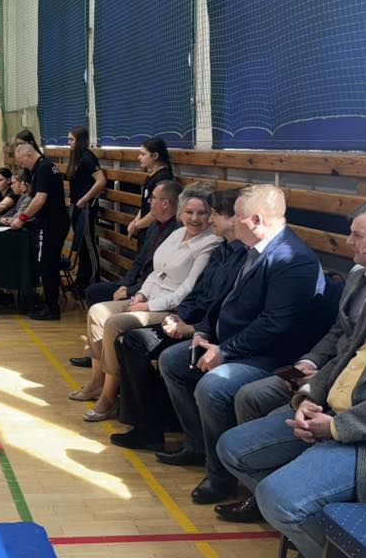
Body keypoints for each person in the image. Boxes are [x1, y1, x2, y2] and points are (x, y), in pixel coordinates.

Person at [217, 201, 366, 558]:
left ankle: (320, 529)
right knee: (231, 448)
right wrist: (309, 394)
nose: (362, 248)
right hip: (331, 411)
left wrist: (336, 427)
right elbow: (345, 355)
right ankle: (316, 525)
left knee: (278, 497)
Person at [157, 184, 332, 505]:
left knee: (213, 386)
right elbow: (224, 299)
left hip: (272, 356)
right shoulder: (252, 248)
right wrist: (203, 331)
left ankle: (220, 476)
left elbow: (274, 326)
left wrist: (224, 352)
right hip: (236, 344)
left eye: (236, 215)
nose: (226, 221)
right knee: (173, 361)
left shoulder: (293, 260)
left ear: (256, 220)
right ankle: (199, 445)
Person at [109, 189, 247, 451]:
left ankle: (152, 426)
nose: (208, 220)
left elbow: (219, 305)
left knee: (134, 341)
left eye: (212, 214)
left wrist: (191, 328)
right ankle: (154, 420)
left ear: (233, 219)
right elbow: (199, 294)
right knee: (126, 341)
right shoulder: (223, 250)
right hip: (188, 319)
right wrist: (177, 316)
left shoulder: (237, 255)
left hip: (206, 331)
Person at [71, 183, 221, 422]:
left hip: (169, 309)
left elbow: (187, 290)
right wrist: (141, 295)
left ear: (210, 215)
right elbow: (155, 272)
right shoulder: (176, 234)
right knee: (98, 311)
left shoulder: (210, 243)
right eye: (189, 212)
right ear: (181, 212)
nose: (194, 218)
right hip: (148, 297)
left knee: (114, 323)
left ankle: (109, 397)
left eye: (201, 213)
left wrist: (148, 306)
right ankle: (97, 380)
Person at [69, 180, 182, 367]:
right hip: (136, 285)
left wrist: (131, 292)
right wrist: (124, 285)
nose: (149, 202)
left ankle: (105, 357)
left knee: (101, 298)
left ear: (165, 203)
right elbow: (139, 261)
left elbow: (157, 274)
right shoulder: (155, 226)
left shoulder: (176, 232)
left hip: (150, 292)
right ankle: (95, 353)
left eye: (153, 198)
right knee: (94, 292)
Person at [9, 142, 68, 320]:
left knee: (46, 264)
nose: (22, 166)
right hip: (53, 222)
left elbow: (40, 199)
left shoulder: (43, 168)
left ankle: (52, 308)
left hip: (52, 224)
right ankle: (49, 302)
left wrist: (22, 218)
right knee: (47, 263)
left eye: (21, 162)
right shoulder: (43, 167)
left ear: (28, 155)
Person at [63, 127, 107, 291]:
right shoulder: (76, 157)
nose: (69, 143)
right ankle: (81, 281)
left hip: (86, 207)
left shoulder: (88, 157)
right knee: (81, 245)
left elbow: (101, 181)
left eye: (71, 139)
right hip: (76, 205)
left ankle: (93, 283)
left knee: (88, 244)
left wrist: (84, 199)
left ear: (80, 140)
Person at [126, 137, 174, 241]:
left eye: (143, 154)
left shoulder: (163, 177)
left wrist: (136, 226)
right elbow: (145, 205)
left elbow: (157, 211)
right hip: (145, 229)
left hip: (155, 232)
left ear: (155, 156)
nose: (139, 157)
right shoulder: (151, 176)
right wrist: (136, 221)